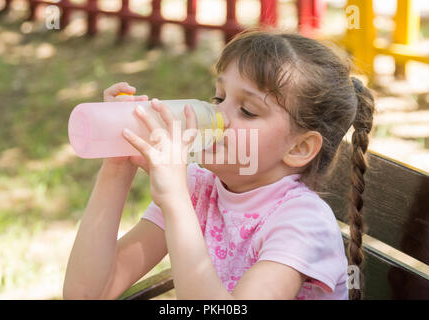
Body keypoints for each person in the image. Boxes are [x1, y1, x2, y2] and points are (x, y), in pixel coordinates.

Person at [63, 28, 375, 300]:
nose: (219, 117)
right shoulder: (200, 187)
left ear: (299, 148)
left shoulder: (302, 223)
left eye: (248, 110)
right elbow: (87, 292)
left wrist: (174, 201)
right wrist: (117, 168)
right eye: (219, 98)